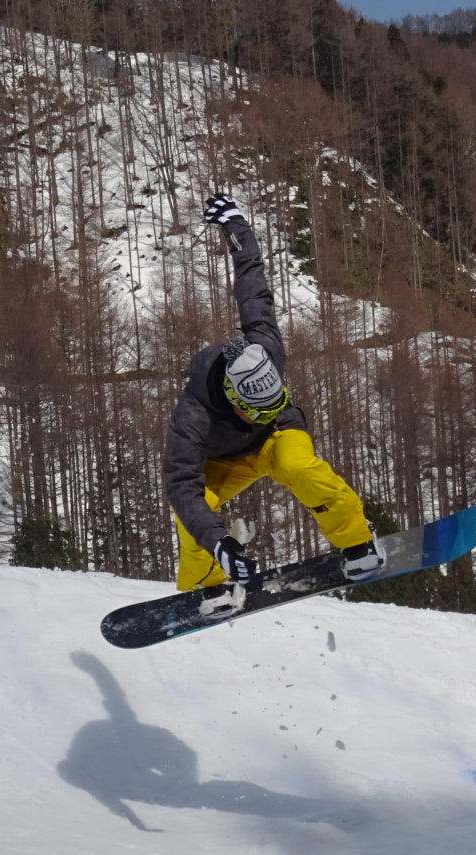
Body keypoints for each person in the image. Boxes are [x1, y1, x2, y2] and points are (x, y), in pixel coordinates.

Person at [162, 193, 384, 591]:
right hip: (224, 460)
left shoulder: (265, 347)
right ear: (233, 398)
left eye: (273, 403)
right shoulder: (193, 416)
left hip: (277, 437)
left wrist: (237, 227)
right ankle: (208, 584)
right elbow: (182, 487)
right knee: (195, 513)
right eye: (257, 411)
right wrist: (220, 543)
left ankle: (357, 541)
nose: (262, 415)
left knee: (301, 467)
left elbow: (253, 286)